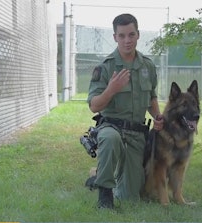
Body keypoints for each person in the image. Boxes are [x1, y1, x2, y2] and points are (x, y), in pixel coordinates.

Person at [87, 13, 164, 209]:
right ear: (115, 37)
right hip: (111, 127)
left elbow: (152, 97)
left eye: (131, 35)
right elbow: (94, 106)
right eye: (121, 36)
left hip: (137, 134)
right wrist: (111, 89)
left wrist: (157, 116)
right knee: (110, 139)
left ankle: (96, 175)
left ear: (138, 35)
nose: (127, 40)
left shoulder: (147, 66)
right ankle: (104, 197)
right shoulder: (106, 67)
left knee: (130, 196)